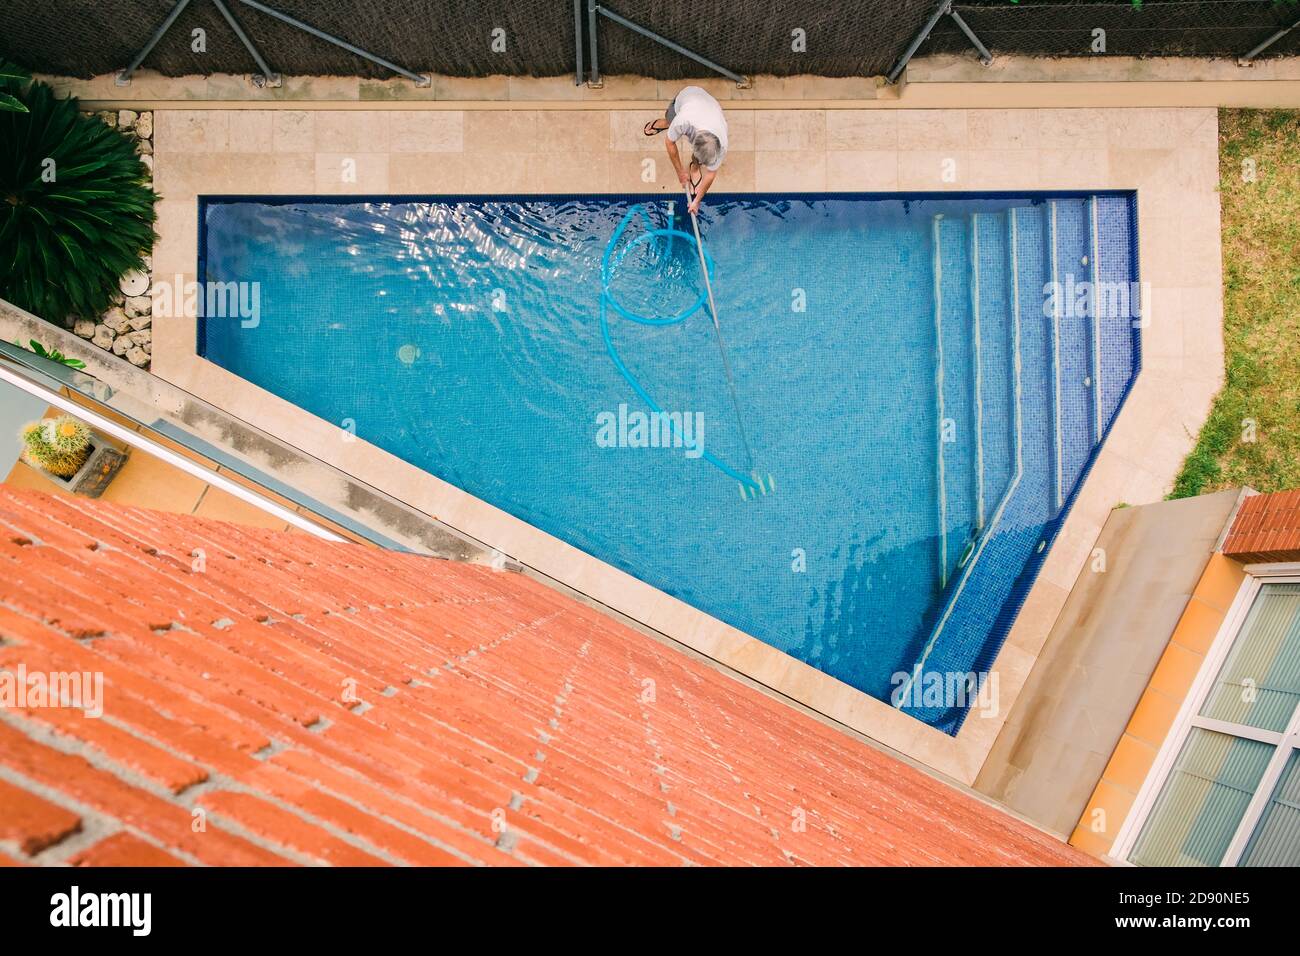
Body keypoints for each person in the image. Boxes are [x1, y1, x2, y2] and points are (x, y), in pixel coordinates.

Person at [644, 86, 728, 214]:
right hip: (686, 97)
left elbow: (711, 173)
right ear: (694, 143)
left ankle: (694, 167)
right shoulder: (683, 121)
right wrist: (681, 173)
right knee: (670, 119)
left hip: (710, 106)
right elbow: (669, 143)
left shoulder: (722, 143)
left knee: (700, 156)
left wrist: (697, 201)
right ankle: (663, 123)